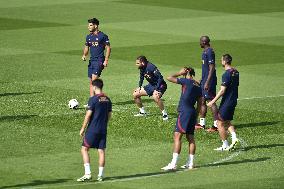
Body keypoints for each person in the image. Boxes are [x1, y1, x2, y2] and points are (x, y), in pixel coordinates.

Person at [161, 67, 202, 170]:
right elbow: (200, 104)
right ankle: (191, 163)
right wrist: (195, 116)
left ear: (187, 72)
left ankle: (173, 164)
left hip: (184, 112)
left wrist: (179, 73)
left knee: (177, 136)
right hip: (192, 112)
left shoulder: (186, 81)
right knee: (190, 138)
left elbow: (169, 77)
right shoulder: (198, 86)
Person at [77, 79, 112, 182]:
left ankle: (87, 174)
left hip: (93, 129)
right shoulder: (108, 99)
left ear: (94, 87)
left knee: (84, 149)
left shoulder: (93, 99)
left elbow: (88, 115)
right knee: (101, 151)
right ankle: (100, 175)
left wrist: (83, 128)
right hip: (103, 129)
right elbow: (109, 115)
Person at [207, 54, 239, 151]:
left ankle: (225, 145)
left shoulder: (226, 74)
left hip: (227, 102)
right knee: (227, 121)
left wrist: (212, 101)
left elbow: (222, 91)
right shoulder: (236, 72)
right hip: (233, 100)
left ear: (225, 61)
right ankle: (234, 138)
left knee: (219, 123)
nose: (221, 62)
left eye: (221, 60)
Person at [82, 18, 111, 97]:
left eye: (90, 25)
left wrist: (106, 60)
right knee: (91, 82)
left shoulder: (103, 36)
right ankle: (92, 101)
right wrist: (84, 55)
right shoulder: (88, 37)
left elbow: (108, 48)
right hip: (92, 61)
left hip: (99, 60)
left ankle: (98, 99)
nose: (89, 27)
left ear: (96, 26)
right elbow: (86, 47)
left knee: (94, 80)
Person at [133, 55, 168, 121]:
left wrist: (156, 89)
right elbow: (141, 77)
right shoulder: (142, 67)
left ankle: (164, 114)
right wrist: (140, 87)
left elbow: (160, 78)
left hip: (160, 85)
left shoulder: (151, 67)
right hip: (151, 85)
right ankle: (142, 112)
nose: (136, 64)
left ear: (142, 62)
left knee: (155, 97)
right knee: (135, 94)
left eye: (137, 63)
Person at [195, 35, 219, 132]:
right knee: (202, 100)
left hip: (209, 81)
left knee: (211, 101)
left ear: (204, 42)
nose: (199, 43)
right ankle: (202, 123)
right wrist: (202, 79)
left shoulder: (209, 51)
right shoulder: (205, 51)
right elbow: (206, 69)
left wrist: (207, 82)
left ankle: (216, 125)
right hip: (205, 80)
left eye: (200, 41)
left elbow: (212, 67)